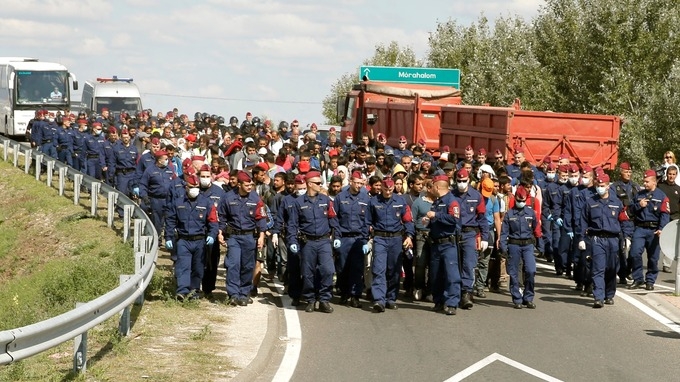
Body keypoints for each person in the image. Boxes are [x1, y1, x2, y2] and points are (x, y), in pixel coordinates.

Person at [287, 171, 340, 313]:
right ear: (309, 184)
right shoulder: (298, 203)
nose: (320, 185)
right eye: (317, 183)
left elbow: (333, 219)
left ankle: (324, 299)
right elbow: (293, 224)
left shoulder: (326, 200)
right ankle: (310, 299)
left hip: (324, 241)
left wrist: (337, 237)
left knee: (328, 270)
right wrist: (292, 240)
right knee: (307, 273)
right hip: (307, 242)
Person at [578, 173, 632, 308]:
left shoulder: (616, 202)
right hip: (597, 239)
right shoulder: (590, 202)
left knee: (612, 269)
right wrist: (581, 238)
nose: (599, 188)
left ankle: (609, 294)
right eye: (598, 186)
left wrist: (627, 237)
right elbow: (583, 221)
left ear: (608, 186)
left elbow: (624, 221)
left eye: (602, 186)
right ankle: (598, 297)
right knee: (598, 268)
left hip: (613, 240)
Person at [164, 174, 219, 301]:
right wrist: (168, 237)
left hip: (200, 240)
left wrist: (211, 235)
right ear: (185, 187)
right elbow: (170, 221)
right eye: (191, 186)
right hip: (183, 240)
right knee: (183, 267)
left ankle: (194, 291)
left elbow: (213, 222)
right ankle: (182, 292)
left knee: (198, 268)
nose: (194, 189)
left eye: (196, 186)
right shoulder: (178, 202)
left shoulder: (207, 203)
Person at [218, 171, 267, 306]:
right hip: (233, 236)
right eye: (246, 185)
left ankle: (244, 293)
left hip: (249, 237)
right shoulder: (227, 198)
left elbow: (261, 219)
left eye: (250, 185)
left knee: (247, 265)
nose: (249, 187)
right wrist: (220, 233)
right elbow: (222, 217)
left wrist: (262, 237)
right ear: (239, 184)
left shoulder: (256, 199)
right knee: (233, 264)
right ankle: (233, 294)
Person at [367, 177, 415, 312]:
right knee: (378, 268)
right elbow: (367, 222)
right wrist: (366, 238)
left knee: (394, 269)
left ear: (393, 187)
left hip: (396, 239)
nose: (388, 192)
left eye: (390, 189)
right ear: (381, 187)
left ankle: (391, 298)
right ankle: (379, 300)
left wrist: (409, 236)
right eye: (385, 189)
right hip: (380, 238)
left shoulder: (401, 201)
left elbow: (408, 221)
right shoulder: (374, 201)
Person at [628, 169, 671, 291]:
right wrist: (639, 205)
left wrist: (662, 229)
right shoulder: (639, 195)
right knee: (634, 253)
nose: (645, 184)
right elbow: (630, 210)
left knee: (653, 258)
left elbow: (665, 214)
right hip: (640, 228)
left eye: (647, 181)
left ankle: (650, 280)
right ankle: (638, 278)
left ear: (654, 182)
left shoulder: (662, 196)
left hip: (654, 230)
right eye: (644, 181)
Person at [425, 175, 462, 315]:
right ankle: (438, 300)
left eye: (432, 186)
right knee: (435, 275)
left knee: (452, 275)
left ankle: (452, 303)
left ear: (437, 187)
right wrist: (428, 221)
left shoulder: (451, 201)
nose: (430, 189)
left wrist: (436, 215)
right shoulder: (437, 201)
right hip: (435, 244)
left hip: (448, 243)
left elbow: (454, 219)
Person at [452, 168, 488, 309]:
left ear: (469, 180)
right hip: (454, 233)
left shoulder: (476, 196)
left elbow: (482, 218)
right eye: (459, 181)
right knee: (454, 264)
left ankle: (466, 292)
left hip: (469, 233)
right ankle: (454, 292)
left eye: (464, 181)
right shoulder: (451, 195)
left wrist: (485, 237)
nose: (461, 183)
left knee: (468, 264)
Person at [500, 187, 541, 309]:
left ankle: (528, 298)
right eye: (519, 200)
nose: (521, 202)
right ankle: (517, 298)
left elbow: (537, 229)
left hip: (528, 245)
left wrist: (541, 245)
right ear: (516, 198)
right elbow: (504, 233)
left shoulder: (530, 213)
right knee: (513, 273)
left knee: (530, 270)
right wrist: (503, 248)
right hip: (514, 244)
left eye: (523, 200)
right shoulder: (509, 214)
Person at [334, 171, 370, 308]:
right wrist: (336, 236)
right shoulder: (340, 197)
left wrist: (366, 239)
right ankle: (344, 293)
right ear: (350, 182)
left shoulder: (366, 198)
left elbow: (367, 220)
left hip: (359, 238)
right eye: (357, 183)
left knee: (357, 268)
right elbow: (335, 218)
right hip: (344, 237)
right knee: (342, 267)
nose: (359, 185)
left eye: (361, 183)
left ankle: (355, 295)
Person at [198, 164, 227, 299]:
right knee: (197, 261)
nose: (205, 179)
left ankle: (208, 289)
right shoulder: (194, 189)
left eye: (207, 176)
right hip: (196, 231)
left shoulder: (219, 192)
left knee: (211, 262)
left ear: (212, 177)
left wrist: (220, 231)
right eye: (202, 176)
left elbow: (223, 213)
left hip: (213, 231)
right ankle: (195, 287)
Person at [610, 162, 639, 283]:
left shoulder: (635, 187)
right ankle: (622, 274)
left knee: (634, 250)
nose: (628, 174)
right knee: (621, 249)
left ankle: (628, 270)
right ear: (621, 171)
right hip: (621, 221)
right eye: (626, 171)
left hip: (634, 222)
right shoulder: (614, 187)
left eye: (630, 172)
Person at [138, 150, 175, 234]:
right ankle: (157, 238)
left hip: (168, 200)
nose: (167, 161)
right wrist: (144, 196)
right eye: (165, 159)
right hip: (156, 200)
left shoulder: (170, 169)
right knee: (157, 221)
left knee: (168, 220)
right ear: (159, 160)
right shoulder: (150, 170)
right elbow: (143, 184)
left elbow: (175, 182)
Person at [411, 178, 434, 301]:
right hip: (421, 235)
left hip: (434, 235)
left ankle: (430, 290)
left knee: (433, 264)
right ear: (429, 189)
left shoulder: (439, 202)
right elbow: (412, 220)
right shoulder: (418, 203)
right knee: (420, 263)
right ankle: (419, 287)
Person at [657, 165, 680, 273]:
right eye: (670, 174)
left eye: (673, 174)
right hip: (661, 216)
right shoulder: (660, 186)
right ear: (667, 175)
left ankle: (667, 264)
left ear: (676, 175)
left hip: (674, 216)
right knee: (656, 239)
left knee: (670, 241)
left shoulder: (678, 189)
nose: (671, 176)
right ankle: (653, 260)